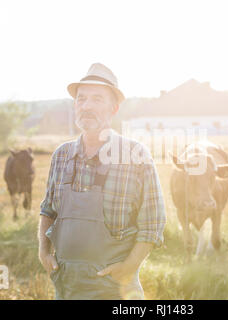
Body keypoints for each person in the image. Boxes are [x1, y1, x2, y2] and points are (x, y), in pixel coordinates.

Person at [37, 63, 166, 300]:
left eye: (97, 99)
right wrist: (43, 253)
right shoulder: (62, 155)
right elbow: (48, 210)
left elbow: (153, 224)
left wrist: (128, 268)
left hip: (115, 291)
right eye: (81, 99)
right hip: (66, 289)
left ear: (114, 108)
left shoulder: (135, 155)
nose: (86, 106)